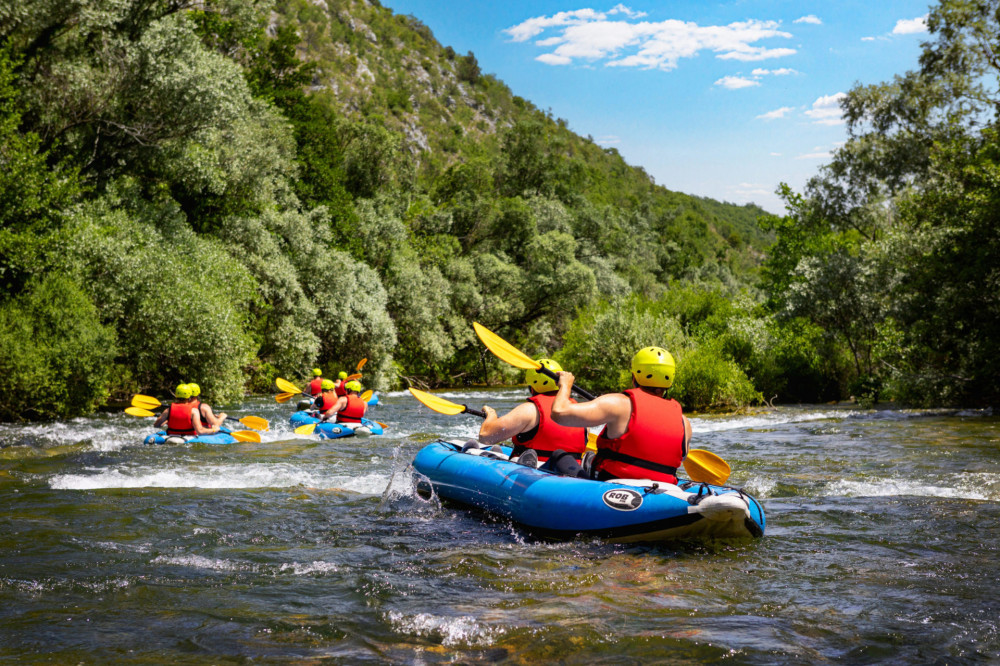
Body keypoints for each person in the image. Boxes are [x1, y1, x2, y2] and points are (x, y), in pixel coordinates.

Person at [547, 347, 692, 483]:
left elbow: (559, 413)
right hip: (662, 491)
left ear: (634, 377)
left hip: (612, 488)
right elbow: (681, 457)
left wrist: (565, 385)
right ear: (670, 380)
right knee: (591, 457)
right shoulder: (683, 421)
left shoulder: (618, 403)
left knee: (559, 455)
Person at [472, 359, 588, 469]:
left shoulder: (529, 410)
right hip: (571, 471)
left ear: (532, 387)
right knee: (497, 450)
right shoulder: (579, 411)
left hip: (534, 473)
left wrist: (491, 415)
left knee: (472, 446)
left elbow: (486, 437)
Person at [153, 383, 224, 437]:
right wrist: (214, 429)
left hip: (171, 436)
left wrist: (167, 421)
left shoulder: (168, 410)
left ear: (176, 395)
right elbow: (200, 431)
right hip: (188, 438)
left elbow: (156, 425)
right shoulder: (194, 411)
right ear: (189, 396)